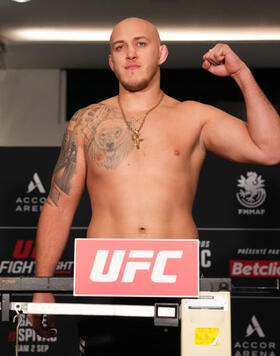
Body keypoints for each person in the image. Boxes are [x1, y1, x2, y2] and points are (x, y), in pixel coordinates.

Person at [29, 16, 280, 342]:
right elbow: (59, 204)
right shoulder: (87, 122)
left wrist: (241, 75)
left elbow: (271, 149)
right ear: (111, 61)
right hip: (107, 280)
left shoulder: (194, 116)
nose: (130, 53)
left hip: (176, 283)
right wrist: (41, 285)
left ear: (161, 54)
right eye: (120, 47)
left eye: (141, 44)